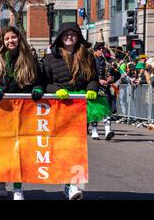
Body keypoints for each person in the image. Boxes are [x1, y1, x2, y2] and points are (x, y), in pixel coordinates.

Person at [43, 22, 105, 200]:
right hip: (58, 107)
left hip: (79, 107)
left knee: (76, 147)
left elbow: (93, 77)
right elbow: (44, 81)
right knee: (62, 148)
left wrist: (92, 88)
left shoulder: (87, 55)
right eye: (66, 34)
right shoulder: (50, 59)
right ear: (60, 37)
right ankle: (66, 182)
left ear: (78, 36)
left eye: (73, 34)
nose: (69, 37)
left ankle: (72, 185)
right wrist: (55, 90)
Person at [0, 26, 44, 200]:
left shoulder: (29, 59)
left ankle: (18, 187)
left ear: (19, 38)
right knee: (2, 149)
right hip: (0, 110)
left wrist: (38, 87)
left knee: (20, 150)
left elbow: (39, 79)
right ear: (2, 41)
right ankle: (1, 181)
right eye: (7, 39)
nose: (10, 41)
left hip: (23, 110)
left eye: (13, 37)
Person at [91, 42, 116, 140]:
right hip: (94, 87)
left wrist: (111, 78)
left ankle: (107, 130)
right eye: (100, 49)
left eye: (103, 49)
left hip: (106, 88)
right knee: (95, 110)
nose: (102, 50)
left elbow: (114, 74)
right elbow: (88, 74)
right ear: (95, 50)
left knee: (107, 108)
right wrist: (99, 80)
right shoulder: (91, 61)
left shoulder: (107, 61)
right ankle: (94, 130)